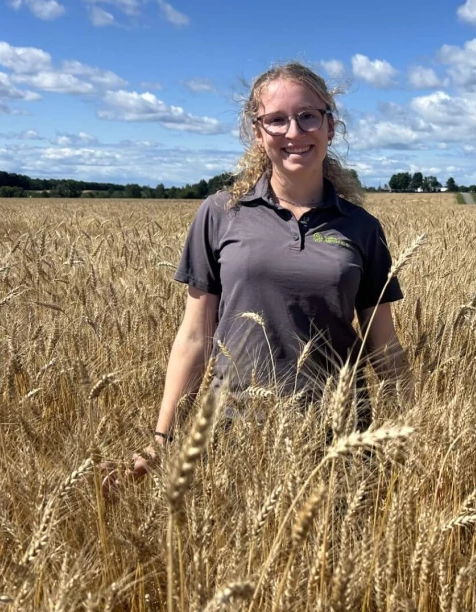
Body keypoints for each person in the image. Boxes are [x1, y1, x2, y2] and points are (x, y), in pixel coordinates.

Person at [130, 61, 410, 477]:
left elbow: (382, 344)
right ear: (258, 133)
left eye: (307, 116)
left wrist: (418, 429)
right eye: (276, 120)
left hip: (339, 437)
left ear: (330, 127)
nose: (294, 132)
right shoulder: (220, 214)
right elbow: (194, 336)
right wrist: (161, 443)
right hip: (236, 435)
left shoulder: (362, 227)